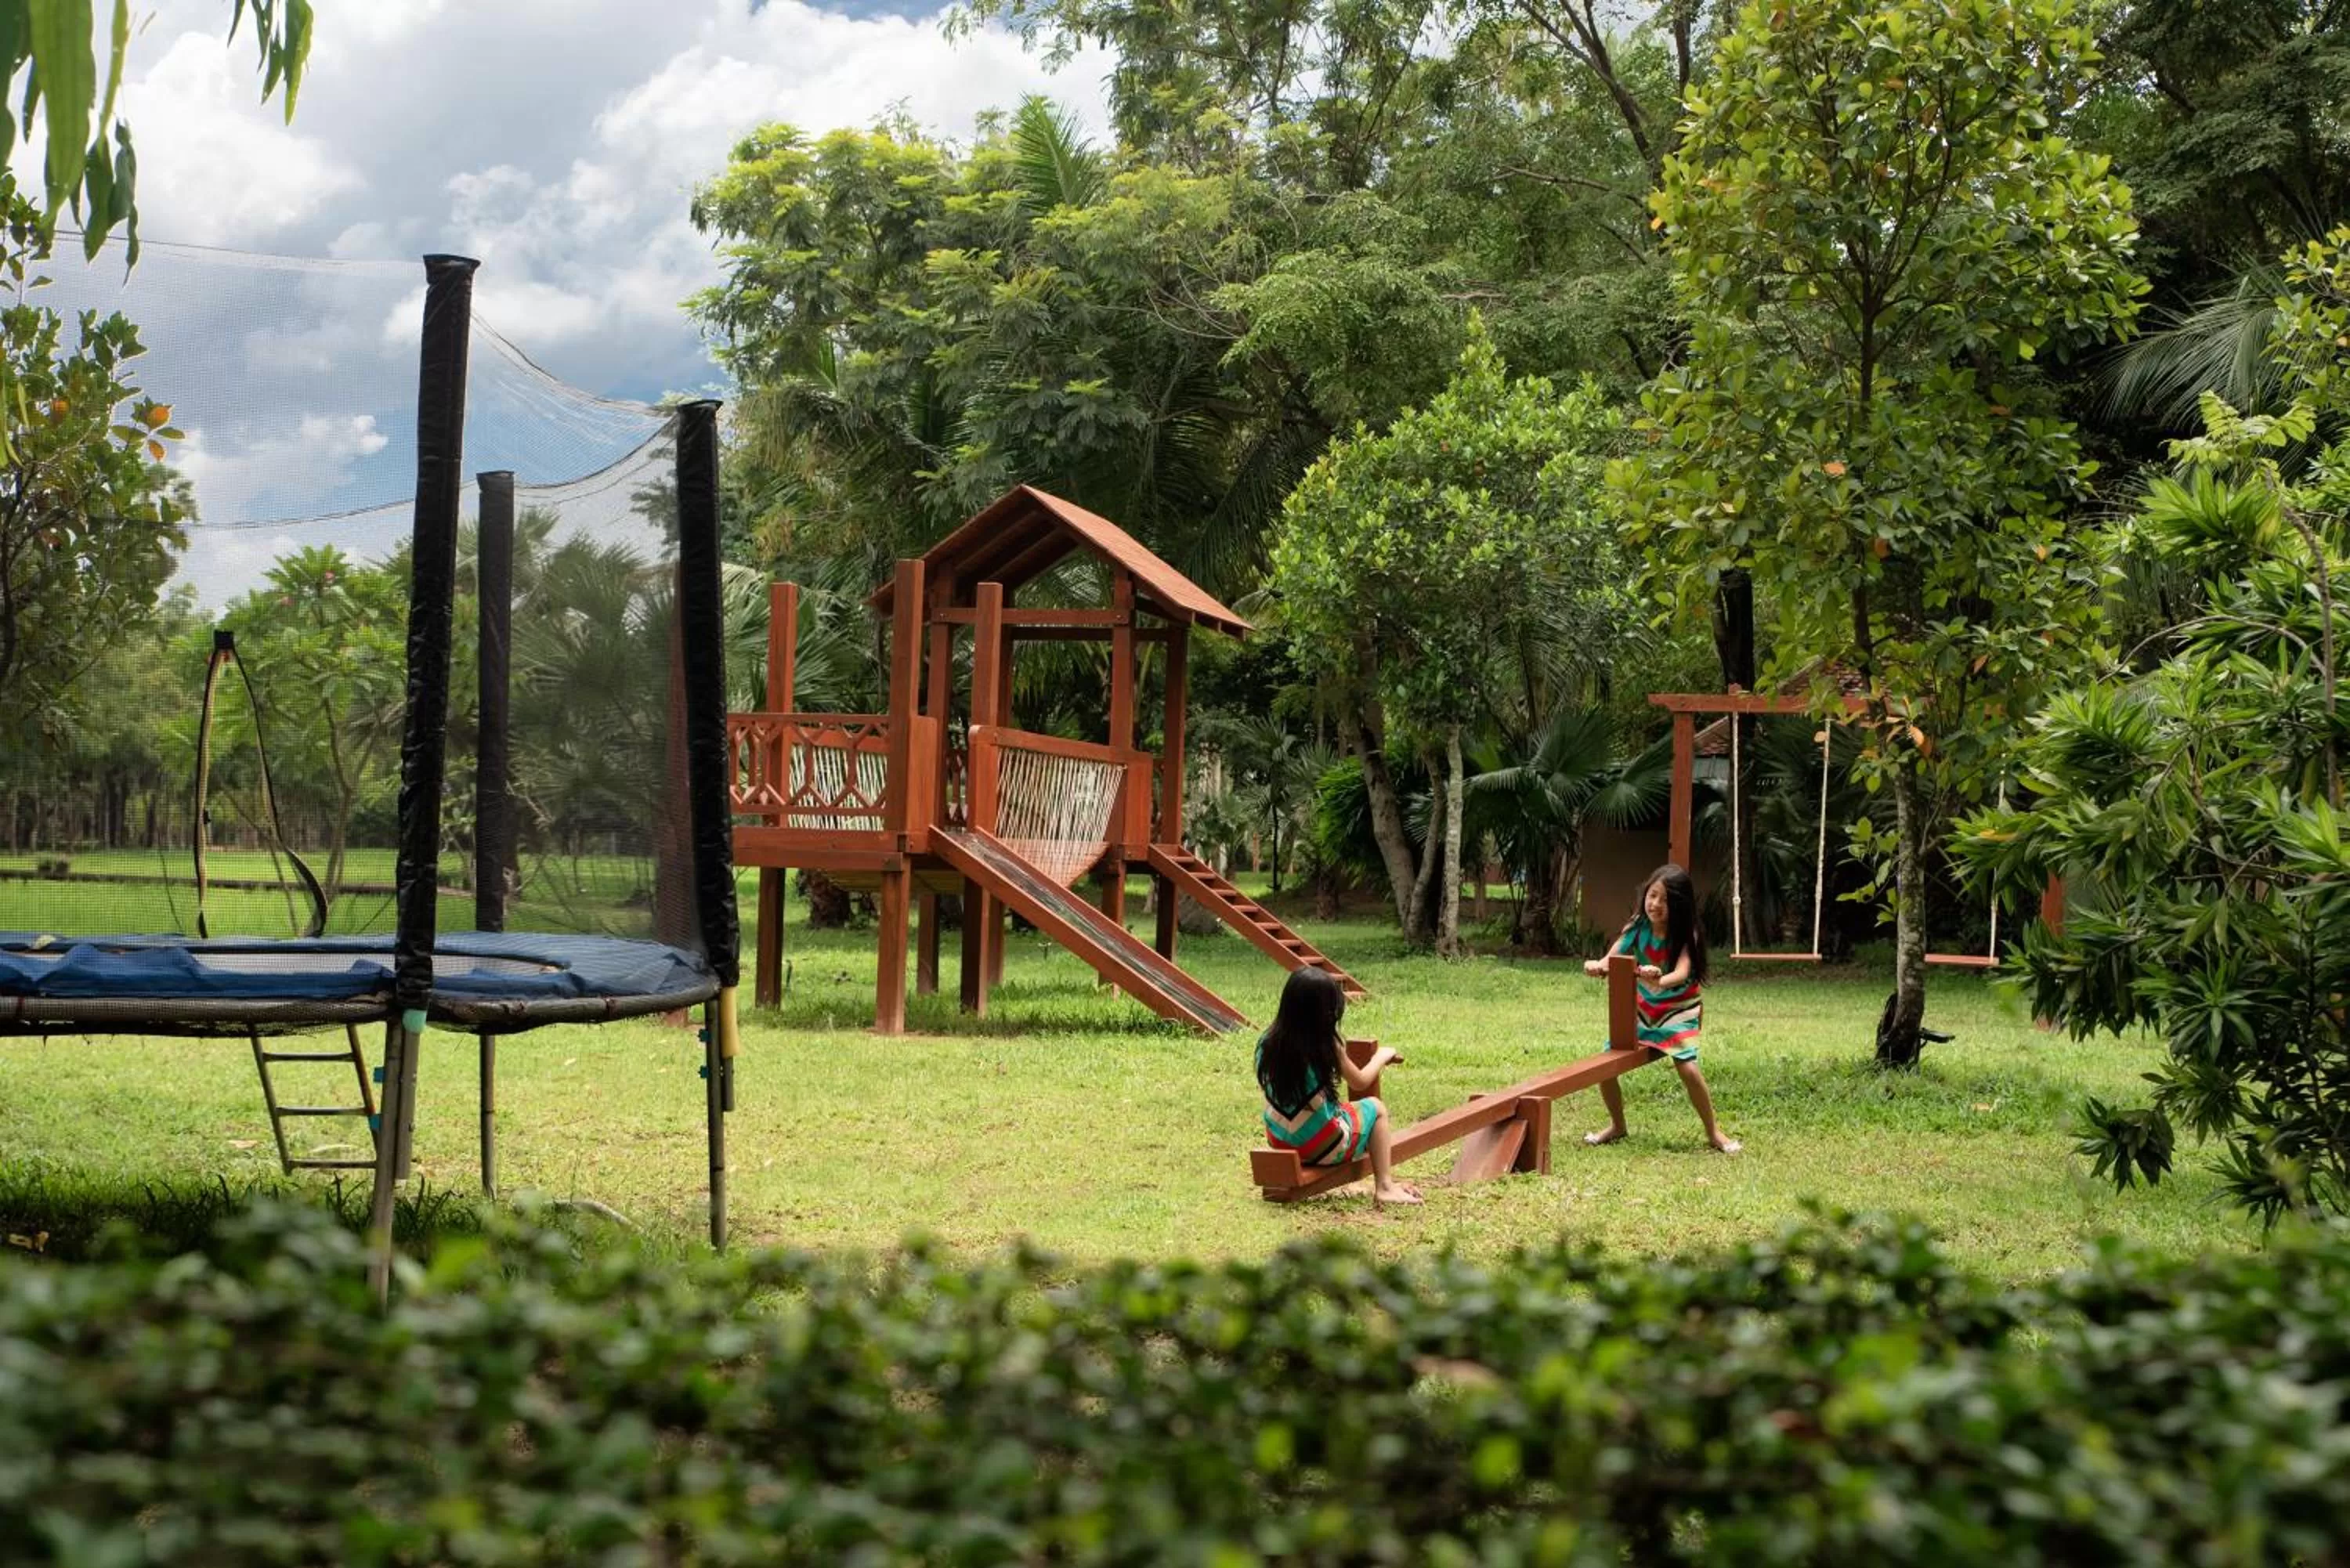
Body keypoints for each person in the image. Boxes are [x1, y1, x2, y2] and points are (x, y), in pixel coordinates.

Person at [1582, 864, 1741, 1154]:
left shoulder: (1687, 933)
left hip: (1678, 1009)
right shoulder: (1637, 926)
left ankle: (1714, 1132)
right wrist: (1598, 966)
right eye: (1652, 895)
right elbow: (1612, 957)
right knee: (1605, 1066)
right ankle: (1617, 1126)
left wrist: (1659, 980)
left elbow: (1682, 973)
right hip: (1643, 1009)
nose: (1655, 904)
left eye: (1665, 900)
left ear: (1679, 906)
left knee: (1688, 1069)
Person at [1256, 966, 1423, 1205]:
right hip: (1325, 1148)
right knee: (1375, 1108)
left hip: (1280, 1142)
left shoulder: (1267, 1042)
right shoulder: (1326, 1044)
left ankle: (1375, 1173)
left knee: (1335, 1110)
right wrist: (1381, 1057)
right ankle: (1385, 1186)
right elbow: (1360, 1081)